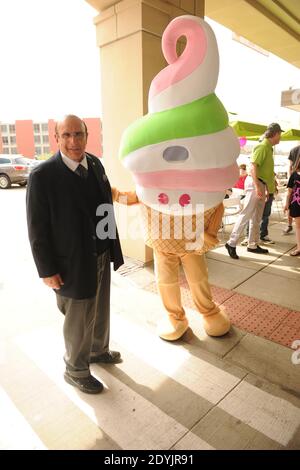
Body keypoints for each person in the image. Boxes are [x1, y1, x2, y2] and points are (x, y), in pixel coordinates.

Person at [26, 115, 131, 394]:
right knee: (78, 317)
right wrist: (46, 270)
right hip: (70, 261)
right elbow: (37, 229)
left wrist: (110, 244)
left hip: (99, 252)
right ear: (57, 138)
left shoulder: (95, 163)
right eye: (67, 135)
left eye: (79, 134)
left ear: (87, 135)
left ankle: (98, 350)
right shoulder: (42, 175)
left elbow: (104, 205)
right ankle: (75, 369)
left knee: (100, 308)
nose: (74, 141)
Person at [225, 122, 282, 259]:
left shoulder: (268, 148)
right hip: (255, 184)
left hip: (261, 185)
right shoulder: (262, 147)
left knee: (256, 218)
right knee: (246, 214)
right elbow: (253, 167)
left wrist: (268, 188)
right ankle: (231, 243)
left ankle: (253, 244)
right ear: (275, 134)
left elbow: (266, 171)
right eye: (280, 135)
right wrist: (258, 186)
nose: (280, 138)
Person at [283, 144, 300, 235]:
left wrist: (291, 179)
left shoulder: (293, 149)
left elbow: (289, 166)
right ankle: (289, 225)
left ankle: (289, 225)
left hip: (294, 178)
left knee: (290, 201)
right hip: (295, 178)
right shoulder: (294, 149)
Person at [284, 159, 300, 256]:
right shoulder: (294, 174)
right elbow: (289, 191)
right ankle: (299, 248)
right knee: (298, 226)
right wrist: (286, 204)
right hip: (296, 204)